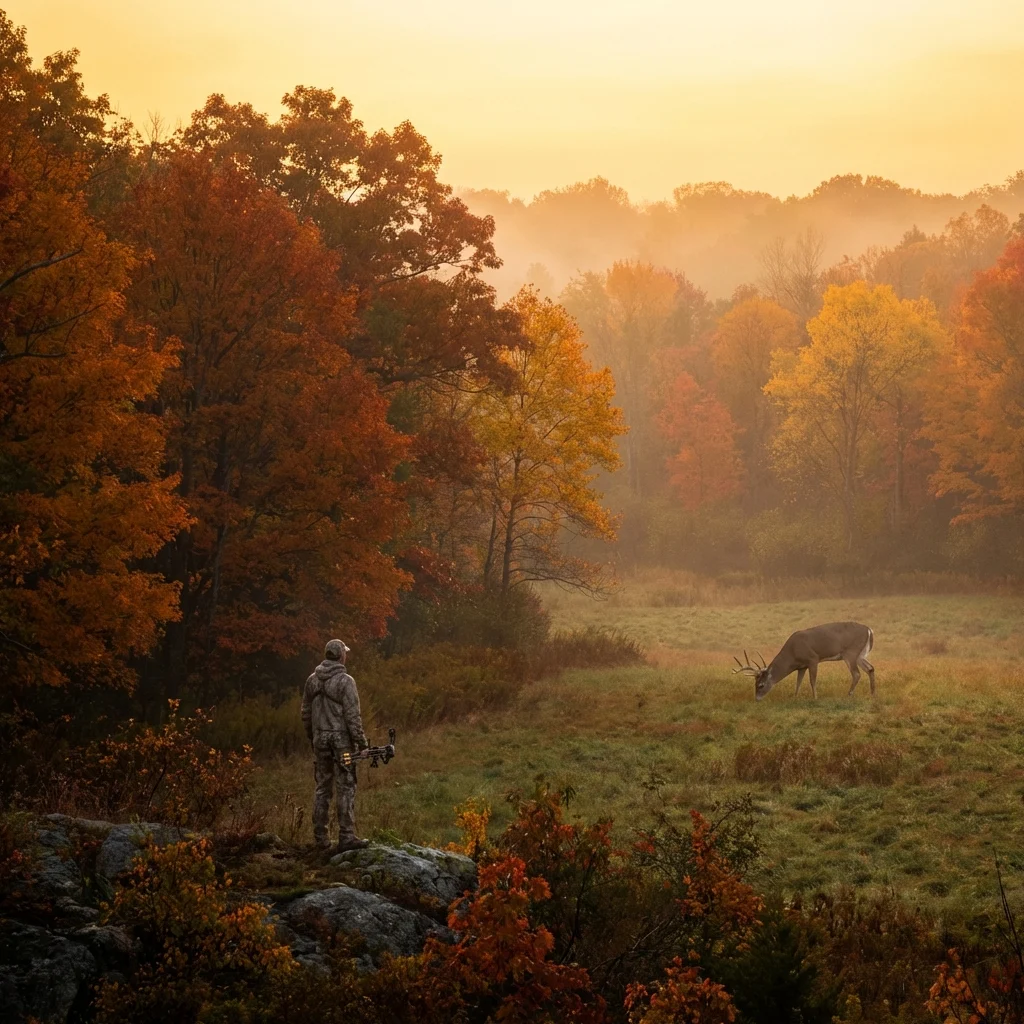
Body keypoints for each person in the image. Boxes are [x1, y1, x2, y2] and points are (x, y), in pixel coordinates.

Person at [301, 639, 370, 852]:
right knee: (346, 786)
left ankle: (320, 839)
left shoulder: (312, 680)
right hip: (342, 743)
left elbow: (305, 713)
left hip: (320, 740)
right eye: (345, 653)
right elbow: (352, 716)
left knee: (322, 788)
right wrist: (362, 742)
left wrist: (313, 737)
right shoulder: (345, 681)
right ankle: (346, 837)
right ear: (341, 655)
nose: (346, 656)